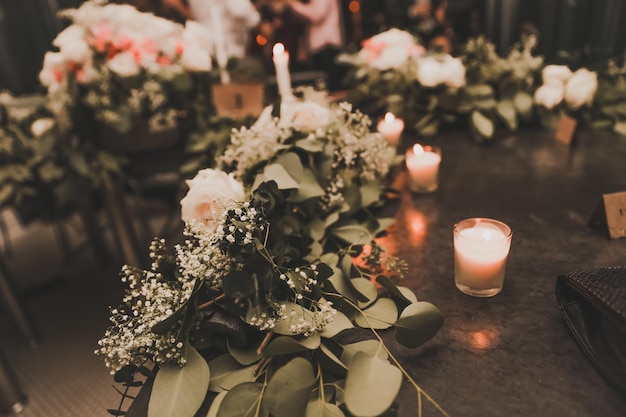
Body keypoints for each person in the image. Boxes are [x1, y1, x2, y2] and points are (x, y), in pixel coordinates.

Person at [286, 0, 345, 91]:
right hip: (321, 47)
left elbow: (316, 15)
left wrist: (293, 3)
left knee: (330, 89)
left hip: (327, 46)